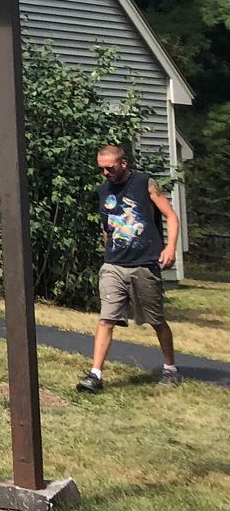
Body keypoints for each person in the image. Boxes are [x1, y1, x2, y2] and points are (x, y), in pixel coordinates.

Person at [75, 142, 180, 392]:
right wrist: (108, 251)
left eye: (110, 168)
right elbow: (106, 227)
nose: (106, 173)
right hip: (114, 264)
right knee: (106, 318)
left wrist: (170, 248)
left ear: (123, 164)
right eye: (101, 169)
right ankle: (95, 375)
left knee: (156, 320)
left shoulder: (145, 183)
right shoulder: (103, 190)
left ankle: (170, 368)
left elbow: (171, 216)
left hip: (144, 263)